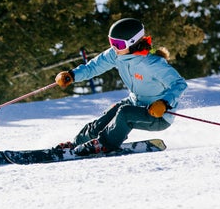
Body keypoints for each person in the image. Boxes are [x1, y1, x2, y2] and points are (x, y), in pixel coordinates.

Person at [54, 18, 188, 156]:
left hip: (157, 113)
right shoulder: (116, 54)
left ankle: (105, 144)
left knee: (125, 113)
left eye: (118, 44)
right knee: (104, 120)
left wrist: (165, 103)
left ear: (132, 43)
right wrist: (72, 75)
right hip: (134, 102)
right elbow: (94, 66)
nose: (114, 48)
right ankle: (77, 143)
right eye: (112, 42)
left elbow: (179, 84)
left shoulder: (152, 63)